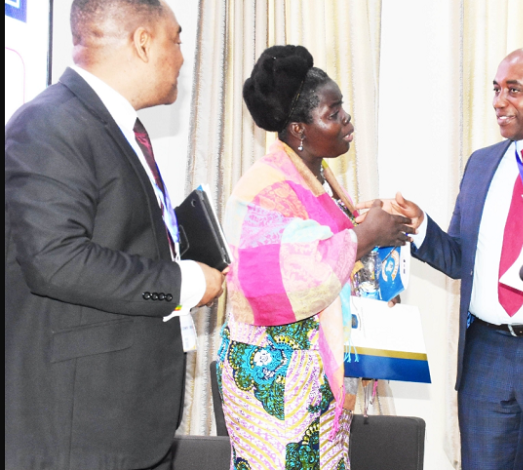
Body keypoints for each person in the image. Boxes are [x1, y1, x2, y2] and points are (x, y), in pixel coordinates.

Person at [5, 1, 226, 469]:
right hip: (78, 434)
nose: (182, 57)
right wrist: (183, 282)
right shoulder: (50, 123)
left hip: (123, 425)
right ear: (143, 43)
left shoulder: (117, 128)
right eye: (177, 39)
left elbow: (115, 243)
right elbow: (56, 261)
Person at [360, 46, 523, 470]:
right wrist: (421, 227)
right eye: (496, 89)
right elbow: (461, 259)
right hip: (486, 353)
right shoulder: (483, 164)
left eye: (514, 90)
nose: (498, 102)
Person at [217, 45, 412, 470]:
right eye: (333, 111)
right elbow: (289, 275)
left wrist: (374, 229)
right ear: (298, 129)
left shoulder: (317, 177)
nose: (346, 120)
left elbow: (324, 237)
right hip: (277, 384)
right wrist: (364, 237)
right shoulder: (263, 187)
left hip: (314, 379)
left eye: (343, 108)